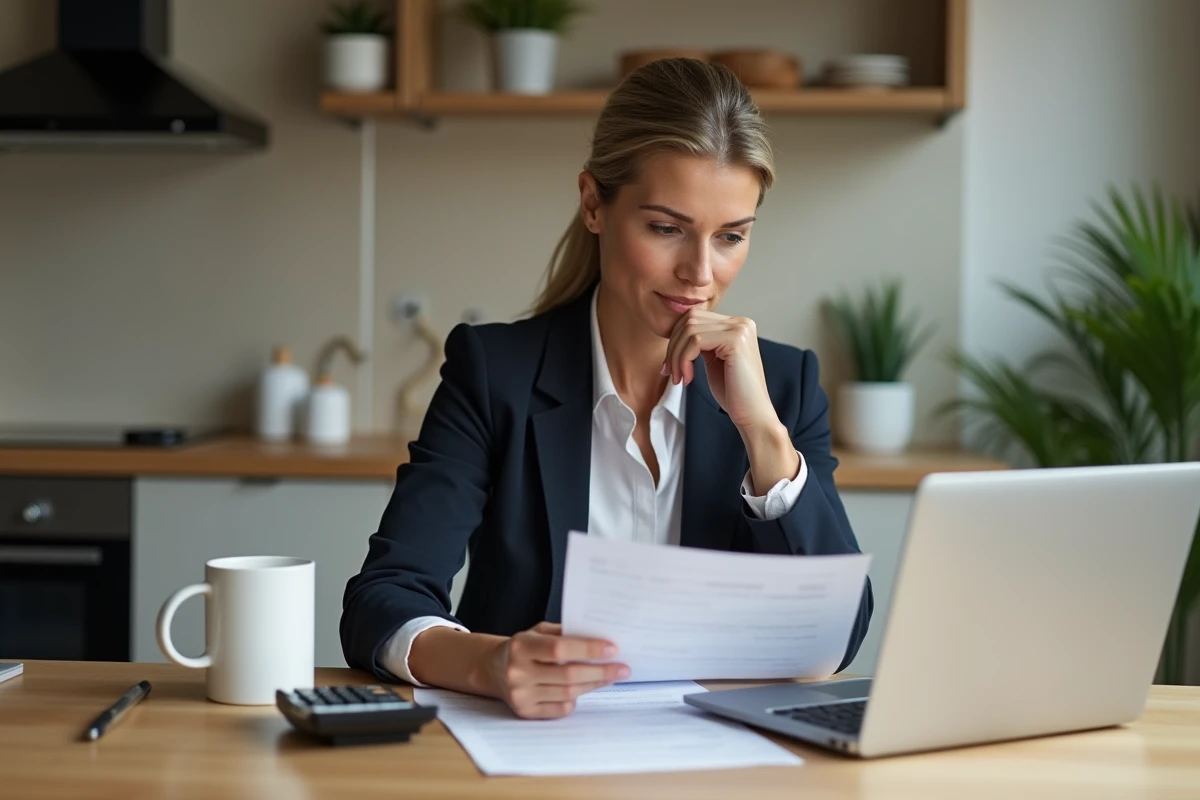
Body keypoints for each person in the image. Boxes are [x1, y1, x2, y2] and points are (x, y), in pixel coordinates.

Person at [341, 58, 873, 720]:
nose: (700, 273)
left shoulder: (783, 387)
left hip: (721, 767)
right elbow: (382, 601)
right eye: (665, 228)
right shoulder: (494, 372)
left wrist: (762, 432)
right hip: (526, 754)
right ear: (595, 205)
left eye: (731, 237)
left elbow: (840, 636)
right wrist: (488, 663)